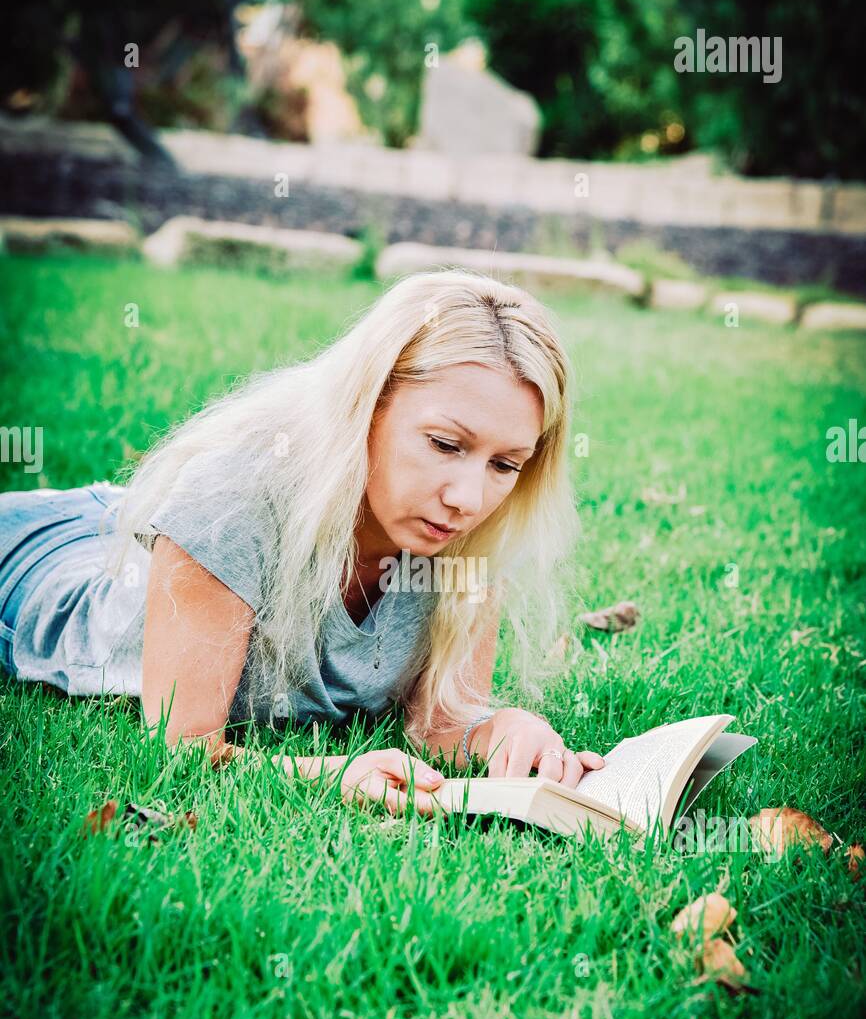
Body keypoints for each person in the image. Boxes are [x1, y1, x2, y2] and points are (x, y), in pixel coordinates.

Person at [0, 268, 603, 814]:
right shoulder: (229, 503)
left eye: (505, 464)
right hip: (33, 557)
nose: (468, 499)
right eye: (445, 444)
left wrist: (503, 730)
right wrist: (330, 773)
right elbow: (181, 750)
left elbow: (440, 725)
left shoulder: (468, 535)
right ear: (366, 407)